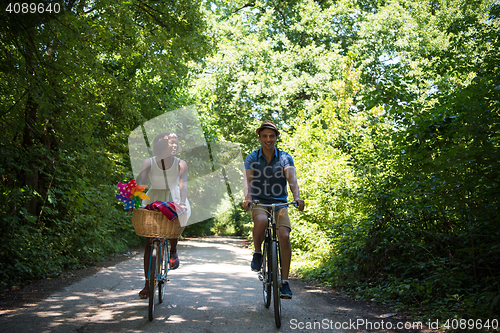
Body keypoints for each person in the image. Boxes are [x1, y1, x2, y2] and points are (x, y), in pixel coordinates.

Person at [242, 120, 305, 299]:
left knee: (284, 235)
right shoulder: (252, 158)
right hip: (259, 202)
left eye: (271, 136)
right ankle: (257, 252)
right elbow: (248, 181)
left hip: (280, 203)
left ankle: (284, 282)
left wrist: (297, 197)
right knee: (261, 221)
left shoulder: (285, 157)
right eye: (264, 136)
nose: (268, 139)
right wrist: (248, 198)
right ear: (260, 138)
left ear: (276, 137)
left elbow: (292, 179)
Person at [136, 132, 191, 299]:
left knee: (173, 224)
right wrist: (137, 202)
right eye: (171, 142)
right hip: (153, 197)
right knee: (149, 240)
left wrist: (182, 202)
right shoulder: (149, 162)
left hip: (173, 196)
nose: (174, 145)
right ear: (162, 144)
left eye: (176, 142)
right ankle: (147, 284)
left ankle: (173, 251)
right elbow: (142, 184)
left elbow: (183, 185)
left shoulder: (181, 164)